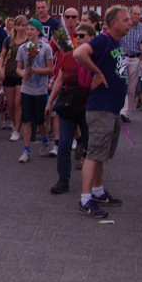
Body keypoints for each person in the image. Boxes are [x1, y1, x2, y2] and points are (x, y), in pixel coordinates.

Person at [73, 5, 131, 219]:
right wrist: (96, 72)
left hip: (111, 108)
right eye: (126, 20)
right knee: (94, 153)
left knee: (101, 154)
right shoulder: (103, 40)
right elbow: (79, 53)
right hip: (101, 108)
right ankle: (85, 198)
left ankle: (97, 190)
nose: (130, 23)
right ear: (114, 23)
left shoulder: (116, 43)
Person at [46, 23, 95, 194]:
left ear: (92, 38)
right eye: (77, 36)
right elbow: (59, 81)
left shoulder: (96, 57)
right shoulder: (68, 57)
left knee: (90, 144)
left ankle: (93, 181)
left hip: (88, 104)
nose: (78, 38)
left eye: (82, 36)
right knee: (64, 144)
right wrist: (50, 102)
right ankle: (63, 178)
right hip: (69, 102)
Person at [16, 19, 54, 164]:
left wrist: (35, 70)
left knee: (40, 120)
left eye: (32, 29)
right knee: (26, 119)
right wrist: (23, 74)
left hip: (40, 90)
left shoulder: (46, 48)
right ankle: (26, 150)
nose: (29, 32)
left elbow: (50, 69)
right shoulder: (22, 48)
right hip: (26, 89)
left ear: (38, 31)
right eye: (27, 29)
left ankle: (45, 139)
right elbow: (18, 68)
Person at [118, 5, 142, 123]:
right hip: (123, 57)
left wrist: (141, 56)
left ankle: (125, 112)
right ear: (130, 14)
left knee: (131, 87)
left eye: (139, 14)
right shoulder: (124, 24)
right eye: (134, 14)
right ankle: (119, 109)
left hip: (135, 58)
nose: (136, 16)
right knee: (121, 83)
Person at [0, 15, 27, 142]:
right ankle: (15, 125)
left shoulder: (28, 41)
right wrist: (0, 68)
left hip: (21, 75)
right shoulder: (8, 40)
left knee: (18, 102)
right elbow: (2, 56)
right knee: (10, 104)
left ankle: (17, 129)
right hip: (9, 73)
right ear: (14, 26)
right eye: (19, 25)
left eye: (23, 25)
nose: (21, 28)